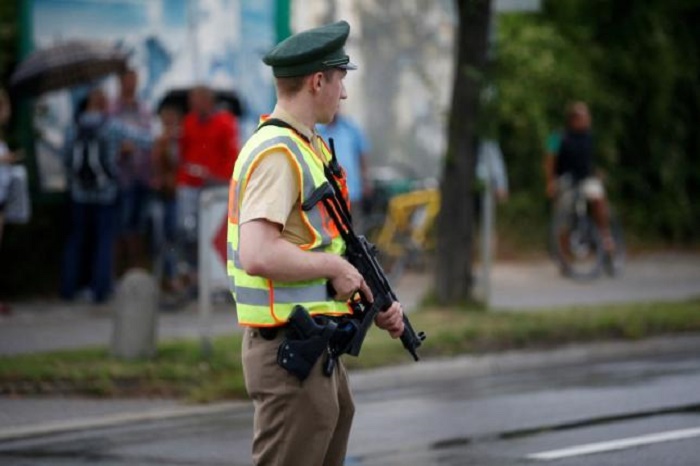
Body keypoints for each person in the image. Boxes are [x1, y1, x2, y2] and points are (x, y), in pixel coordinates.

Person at [227, 21, 405, 466]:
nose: (343, 92)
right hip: (287, 351)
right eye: (340, 78)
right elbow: (258, 252)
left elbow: (323, 244)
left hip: (312, 347)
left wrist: (370, 297)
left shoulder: (307, 147)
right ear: (317, 81)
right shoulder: (277, 154)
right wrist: (336, 271)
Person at [61, 87, 152, 303]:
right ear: (101, 102)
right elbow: (146, 140)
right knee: (104, 240)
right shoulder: (111, 126)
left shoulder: (73, 126)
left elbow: (65, 158)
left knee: (76, 240)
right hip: (106, 192)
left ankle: (69, 287)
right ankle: (100, 289)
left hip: (79, 193)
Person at [177, 86, 239, 285]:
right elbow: (183, 152)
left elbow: (231, 155)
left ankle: (215, 277)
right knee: (188, 229)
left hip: (216, 187)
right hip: (191, 184)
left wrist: (219, 176)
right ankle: (195, 272)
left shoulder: (224, 122)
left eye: (197, 100)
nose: (193, 104)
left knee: (215, 233)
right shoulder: (189, 122)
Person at [544, 101, 615, 253]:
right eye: (584, 117)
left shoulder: (589, 137)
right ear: (573, 119)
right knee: (563, 216)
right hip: (566, 181)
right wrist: (550, 182)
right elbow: (549, 160)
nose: (588, 120)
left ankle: (605, 235)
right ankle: (564, 255)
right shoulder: (556, 137)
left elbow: (587, 161)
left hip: (586, 179)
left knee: (598, 196)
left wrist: (596, 172)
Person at [110, 69, 153, 271]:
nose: (132, 85)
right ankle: (120, 271)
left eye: (134, 81)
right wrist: (120, 150)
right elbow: (107, 143)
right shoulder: (112, 111)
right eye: (128, 80)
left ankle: (137, 270)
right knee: (121, 226)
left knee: (140, 226)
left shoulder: (143, 109)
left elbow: (149, 139)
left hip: (142, 177)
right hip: (121, 177)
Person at [316, 112, 371, 231]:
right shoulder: (317, 131)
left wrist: (365, 180)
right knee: (331, 230)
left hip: (352, 190)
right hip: (328, 193)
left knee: (355, 228)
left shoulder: (351, 129)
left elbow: (362, 156)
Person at [151, 105, 182, 294]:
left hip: (173, 194)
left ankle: (172, 276)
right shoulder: (159, 141)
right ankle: (163, 276)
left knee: (172, 238)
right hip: (161, 194)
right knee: (160, 238)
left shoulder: (179, 141)